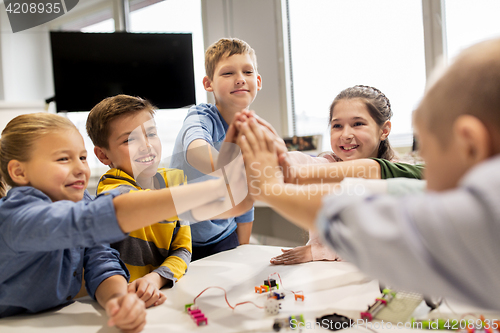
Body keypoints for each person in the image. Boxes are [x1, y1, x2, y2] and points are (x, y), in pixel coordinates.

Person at [237, 37, 500, 310]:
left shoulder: (476, 217)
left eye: (430, 151)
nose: (426, 166)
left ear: (471, 144)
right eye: (337, 125)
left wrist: (271, 187)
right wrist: (279, 164)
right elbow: (384, 191)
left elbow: (373, 197)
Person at [0, 112, 248, 323]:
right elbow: (90, 220)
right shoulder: (14, 217)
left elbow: (100, 259)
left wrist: (118, 299)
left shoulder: (82, 201)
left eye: (82, 158)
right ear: (19, 172)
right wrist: (215, 189)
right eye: (63, 159)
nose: (80, 168)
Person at [269, 85, 423, 265]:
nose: (346, 134)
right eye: (337, 126)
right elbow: (294, 163)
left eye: (358, 124)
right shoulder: (324, 166)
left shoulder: (396, 180)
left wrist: (317, 251)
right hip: (322, 277)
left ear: (384, 130)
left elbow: (381, 245)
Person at [86, 95, 190, 304]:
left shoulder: (174, 181)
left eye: (151, 134)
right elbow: (140, 201)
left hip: (162, 296)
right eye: (129, 140)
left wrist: (156, 278)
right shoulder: (112, 190)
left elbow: (183, 248)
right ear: (103, 156)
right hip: (125, 302)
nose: (146, 146)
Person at [169, 37, 260, 260]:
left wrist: (244, 248)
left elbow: (246, 198)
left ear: (258, 81)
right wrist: (231, 171)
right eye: (228, 73)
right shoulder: (201, 116)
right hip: (183, 239)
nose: (240, 79)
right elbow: (195, 150)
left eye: (247, 72)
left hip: (224, 234)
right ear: (208, 84)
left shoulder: (251, 129)